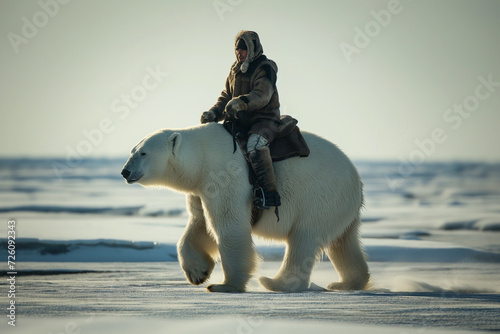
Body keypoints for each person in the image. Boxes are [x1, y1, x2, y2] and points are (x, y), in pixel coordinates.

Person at [201, 30, 281, 210]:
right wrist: (214, 112)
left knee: (255, 145)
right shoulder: (234, 70)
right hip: (240, 122)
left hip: (264, 121)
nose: (240, 53)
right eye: (237, 50)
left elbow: (263, 95)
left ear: (253, 49)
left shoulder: (264, 68)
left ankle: (269, 193)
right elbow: (226, 96)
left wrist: (242, 102)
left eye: (243, 50)